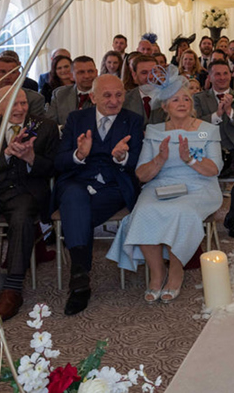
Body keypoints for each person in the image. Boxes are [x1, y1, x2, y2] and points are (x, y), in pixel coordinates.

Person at [107, 73, 222, 303]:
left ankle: (177, 272)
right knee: (143, 211)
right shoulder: (155, 131)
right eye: (176, 100)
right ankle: (157, 274)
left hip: (199, 186)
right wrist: (159, 159)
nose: (182, 103)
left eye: (186, 99)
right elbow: (141, 174)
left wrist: (190, 160)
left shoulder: (205, 131)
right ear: (165, 106)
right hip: (160, 185)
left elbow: (214, 169)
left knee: (181, 211)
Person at [0, 87, 59, 324]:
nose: (20, 109)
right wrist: (5, 154)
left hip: (25, 191)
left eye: (23, 103)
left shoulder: (43, 127)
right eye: (13, 104)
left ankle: (12, 289)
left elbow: (55, 168)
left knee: (21, 218)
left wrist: (31, 159)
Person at [54, 74, 144, 315]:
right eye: (107, 95)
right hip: (78, 180)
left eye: (119, 95)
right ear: (93, 97)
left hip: (114, 187)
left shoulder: (133, 121)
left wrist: (122, 157)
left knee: (76, 212)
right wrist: (79, 155)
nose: (114, 101)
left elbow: (138, 162)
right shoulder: (76, 119)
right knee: (75, 196)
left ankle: (79, 278)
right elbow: (59, 161)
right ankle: (80, 278)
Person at [193, 60, 234, 239]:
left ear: (231, 75)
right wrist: (218, 114)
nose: (222, 78)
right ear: (210, 77)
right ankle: (200, 215)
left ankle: (233, 215)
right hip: (207, 145)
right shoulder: (199, 98)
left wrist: (229, 112)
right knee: (197, 174)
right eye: (217, 74)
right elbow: (196, 127)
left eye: (225, 73)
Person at [0, 55, 46, 124]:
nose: (7, 76)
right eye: (2, 72)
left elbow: (37, 126)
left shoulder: (35, 98)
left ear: (18, 75)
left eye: (12, 72)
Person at [46, 56, 98, 126]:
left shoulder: (107, 94)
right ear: (71, 76)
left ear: (96, 73)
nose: (87, 76)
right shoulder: (59, 94)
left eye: (90, 71)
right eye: (81, 72)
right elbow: (51, 124)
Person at [122, 55, 165, 125]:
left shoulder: (169, 98)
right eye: (144, 73)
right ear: (134, 75)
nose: (150, 77)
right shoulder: (124, 100)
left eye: (154, 72)